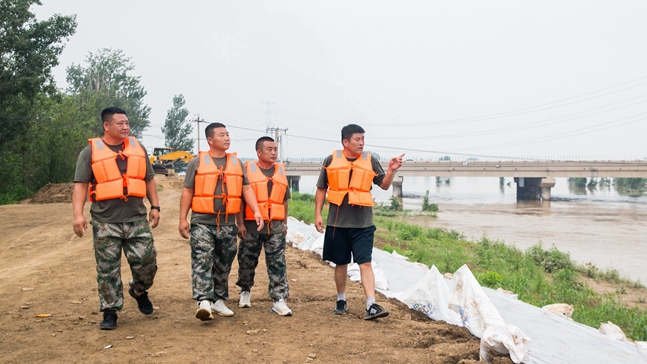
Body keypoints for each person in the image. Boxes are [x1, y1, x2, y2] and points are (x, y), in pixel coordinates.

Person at [72, 107, 160, 330]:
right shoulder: (90, 152)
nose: (126, 127)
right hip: (105, 221)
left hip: (136, 219)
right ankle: (110, 311)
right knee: (107, 269)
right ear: (106, 125)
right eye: (120, 123)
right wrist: (78, 215)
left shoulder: (137, 148)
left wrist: (155, 206)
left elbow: (149, 179)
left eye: (127, 123)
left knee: (147, 264)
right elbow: (81, 185)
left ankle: (138, 290)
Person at [314, 124, 404, 320]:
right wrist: (318, 214)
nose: (361, 142)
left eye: (363, 139)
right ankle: (341, 300)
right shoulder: (331, 160)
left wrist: (391, 170)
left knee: (366, 263)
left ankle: (371, 305)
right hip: (338, 224)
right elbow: (321, 188)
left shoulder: (371, 161)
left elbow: (385, 185)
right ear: (345, 142)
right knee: (341, 264)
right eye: (357, 139)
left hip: (363, 224)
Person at [179, 122, 264, 321]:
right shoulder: (197, 162)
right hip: (202, 221)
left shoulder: (236, 163)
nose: (227, 138)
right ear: (210, 140)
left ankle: (218, 299)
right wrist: (183, 218)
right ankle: (204, 301)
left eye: (227, 134)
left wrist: (256, 211)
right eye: (221, 135)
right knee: (203, 259)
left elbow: (246, 189)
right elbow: (187, 191)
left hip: (227, 224)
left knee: (224, 262)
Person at [235, 136, 292, 316]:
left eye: (275, 149)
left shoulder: (281, 172)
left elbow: (284, 200)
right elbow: (240, 200)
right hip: (252, 226)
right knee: (246, 260)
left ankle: (279, 299)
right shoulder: (247, 171)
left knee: (277, 263)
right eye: (269, 149)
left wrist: (284, 223)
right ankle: (245, 291)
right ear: (259, 152)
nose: (273, 152)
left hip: (274, 226)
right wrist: (240, 224)